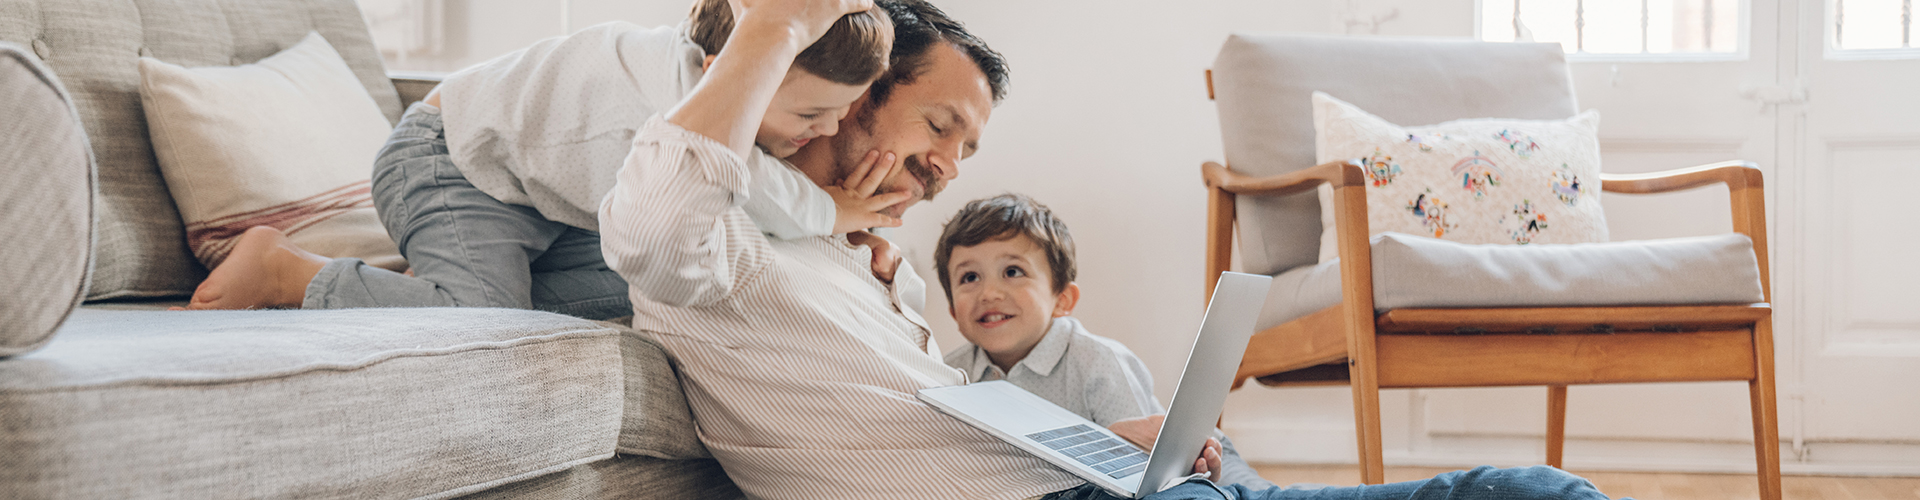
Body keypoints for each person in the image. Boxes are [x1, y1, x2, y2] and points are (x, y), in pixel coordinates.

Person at [602, 0, 1622, 499]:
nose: (950, 167)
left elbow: (949, 413)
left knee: (1530, 488)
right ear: (852, 99)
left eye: (968, 147)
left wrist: (1102, 437)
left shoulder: (868, 262)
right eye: (941, 126)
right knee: (1529, 496)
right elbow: (653, 226)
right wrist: (775, 32)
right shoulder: (710, 231)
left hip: (1100, 483)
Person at [176, 0, 904, 319]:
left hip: (542, 203)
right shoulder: (670, 108)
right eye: (811, 116)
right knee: (484, 314)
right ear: (726, 68)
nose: (830, 129)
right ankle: (289, 273)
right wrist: (840, 209)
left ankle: (421, 281)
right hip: (449, 165)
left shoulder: (694, 72)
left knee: (643, 299)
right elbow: (759, 192)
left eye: (842, 112)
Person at [934, 193, 1277, 490]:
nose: (989, 293)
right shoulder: (949, 375)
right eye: (969, 277)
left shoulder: (1098, 362)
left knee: (1256, 496)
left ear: (1062, 300)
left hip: (1196, 457)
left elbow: (1149, 465)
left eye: (1012, 271)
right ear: (952, 310)